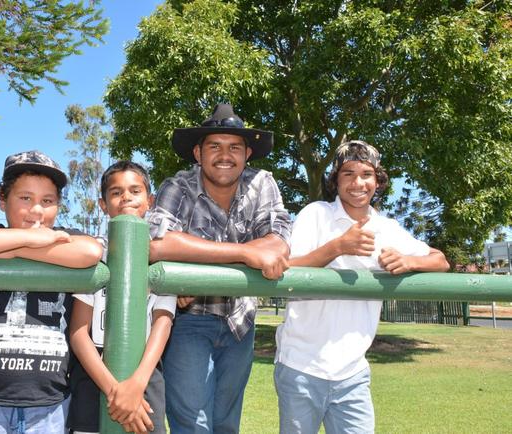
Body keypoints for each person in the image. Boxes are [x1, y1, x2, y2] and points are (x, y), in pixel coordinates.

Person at [275, 140, 450, 434]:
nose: (358, 183)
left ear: (378, 181)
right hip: (301, 366)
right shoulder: (315, 214)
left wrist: (409, 261)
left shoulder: (387, 229)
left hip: (353, 372)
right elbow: (288, 268)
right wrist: (338, 247)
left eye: (366, 174)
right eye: (348, 174)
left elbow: (441, 261)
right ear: (336, 181)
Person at [0, 150, 103, 434]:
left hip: (47, 408)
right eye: (25, 198)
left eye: (47, 201)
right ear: (3, 200)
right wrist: (31, 239)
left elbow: (90, 251)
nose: (36, 210)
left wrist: (5, 250)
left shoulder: (65, 235)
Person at [147, 103, 292, 433]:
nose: (224, 155)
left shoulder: (262, 183)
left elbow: (279, 241)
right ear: (198, 153)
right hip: (188, 319)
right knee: (193, 424)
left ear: (247, 153)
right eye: (214, 146)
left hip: (240, 321)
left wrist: (192, 258)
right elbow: (157, 244)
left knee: (227, 424)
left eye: (234, 147)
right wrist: (246, 253)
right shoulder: (177, 186)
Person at [68, 161, 176, 434]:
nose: (126, 197)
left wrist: (136, 385)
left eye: (134, 190)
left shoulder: (163, 260)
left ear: (149, 201)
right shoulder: (93, 255)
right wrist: (115, 391)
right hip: (94, 376)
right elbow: (79, 332)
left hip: (145, 376)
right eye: (115, 192)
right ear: (103, 204)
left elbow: (163, 323)